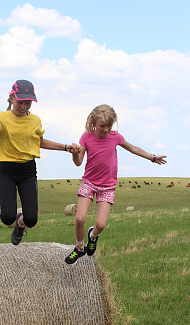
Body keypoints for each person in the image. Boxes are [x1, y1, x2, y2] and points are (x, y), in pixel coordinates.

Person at [0, 79, 79, 245]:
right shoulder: (1, 118)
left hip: (27, 171)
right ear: (11, 98)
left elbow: (39, 142)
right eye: (21, 102)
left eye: (28, 103)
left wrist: (65, 147)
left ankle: (20, 223)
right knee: (7, 216)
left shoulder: (35, 121)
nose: (24, 107)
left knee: (31, 219)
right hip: (7, 171)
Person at [65, 104, 167, 264]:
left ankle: (92, 236)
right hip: (89, 183)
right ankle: (79, 248)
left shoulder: (116, 137)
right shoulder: (86, 137)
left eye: (109, 126)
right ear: (93, 122)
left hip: (107, 186)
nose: (105, 129)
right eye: (102, 126)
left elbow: (133, 149)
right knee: (79, 218)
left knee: (101, 224)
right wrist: (74, 154)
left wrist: (152, 157)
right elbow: (78, 163)